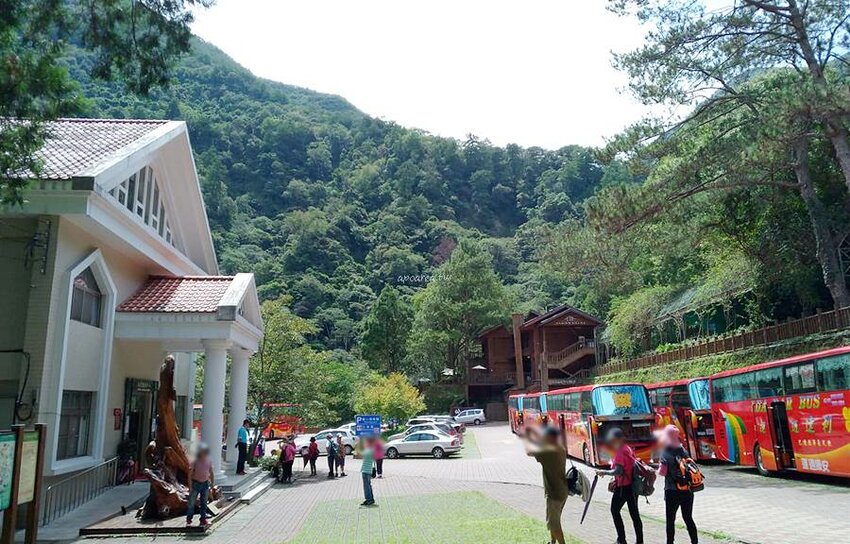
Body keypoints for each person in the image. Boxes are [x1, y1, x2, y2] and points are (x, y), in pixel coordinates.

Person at [596, 428, 644, 544]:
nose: (611, 443)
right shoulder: (627, 448)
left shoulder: (620, 452)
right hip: (632, 486)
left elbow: (619, 471)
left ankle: (621, 539)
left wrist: (604, 472)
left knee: (614, 510)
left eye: (613, 440)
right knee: (634, 515)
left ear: (619, 439)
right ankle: (639, 541)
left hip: (623, 487)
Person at [524, 426, 568, 544]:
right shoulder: (560, 449)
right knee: (555, 519)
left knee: (554, 523)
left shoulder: (548, 451)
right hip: (562, 490)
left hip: (554, 493)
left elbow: (529, 451)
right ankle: (552, 542)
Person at [658, 425, 698, 544]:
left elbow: (663, 472)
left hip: (672, 491)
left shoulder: (665, 452)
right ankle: (694, 542)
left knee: (670, 520)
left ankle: (670, 542)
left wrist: (657, 467)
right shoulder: (683, 449)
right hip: (687, 490)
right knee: (688, 518)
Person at [186, 444, 214, 527]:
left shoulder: (209, 461)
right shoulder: (195, 461)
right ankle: (189, 520)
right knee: (191, 503)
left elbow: (211, 472)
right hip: (196, 483)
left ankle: (203, 519)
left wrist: (212, 483)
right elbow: (190, 474)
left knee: (204, 502)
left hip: (205, 483)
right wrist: (190, 486)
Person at [359, 437, 376, 506]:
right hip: (367, 469)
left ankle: (369, 499)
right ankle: (370, 499)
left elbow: (359, 455)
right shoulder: (370, 450)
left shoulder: (369, 450)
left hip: (367, 470)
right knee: (368, 485)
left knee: (366, 486)